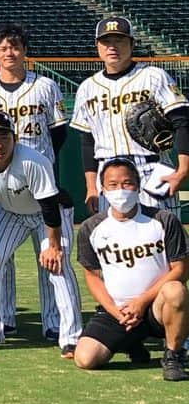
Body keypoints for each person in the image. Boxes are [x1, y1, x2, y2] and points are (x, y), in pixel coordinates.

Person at [0, 23, 73, 340]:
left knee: (50, 260)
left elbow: (59, 131)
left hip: (38, 179)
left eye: (15, 46)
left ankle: (54, 323)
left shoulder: (46, 86)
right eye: (3, 47)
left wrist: (40, 163)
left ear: (24, 51)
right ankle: (2, 320)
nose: (9, 52)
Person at [0, 111, 82, 357]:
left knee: (57, 266)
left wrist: (54, 245)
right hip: (11, 213)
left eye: (4, 137)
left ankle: (69, 337)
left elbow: (49, 206)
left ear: (14, 138)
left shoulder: (33, 160)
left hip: (48, 215)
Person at [74, 158, 188, 381]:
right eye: (113, 184)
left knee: (176, 290)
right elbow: (92, 276)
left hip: (157, 307)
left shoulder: (163, 220)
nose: (120, 190)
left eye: (127, 183)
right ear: (103, 189)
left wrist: (141, 302)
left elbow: (181, 269)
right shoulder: (91, 228)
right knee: (85, 359)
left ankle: (173, 355)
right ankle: (132, 341)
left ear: (137, 186)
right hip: (119, 310)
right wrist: (116, 312)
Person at [71, 17, 188, 213]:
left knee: (163, 238)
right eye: (106, 41)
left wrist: (183, 170)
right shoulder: (87, 88)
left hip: (151, 168)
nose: (112, 47)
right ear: (97, 46)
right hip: (107, 173)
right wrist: (91, 186)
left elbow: (182, 120)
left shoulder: (153, 76)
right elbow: (87, 140)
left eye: (119, 40)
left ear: (132, 44)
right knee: (114, 239)